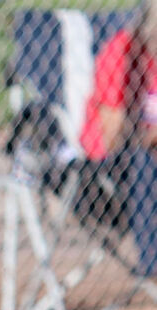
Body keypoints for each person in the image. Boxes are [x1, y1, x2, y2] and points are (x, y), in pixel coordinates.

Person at [78, 1, 157, 282]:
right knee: (143, 157)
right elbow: (113, 137)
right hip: (107, 167)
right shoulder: (122, 52)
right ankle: (152, 261)